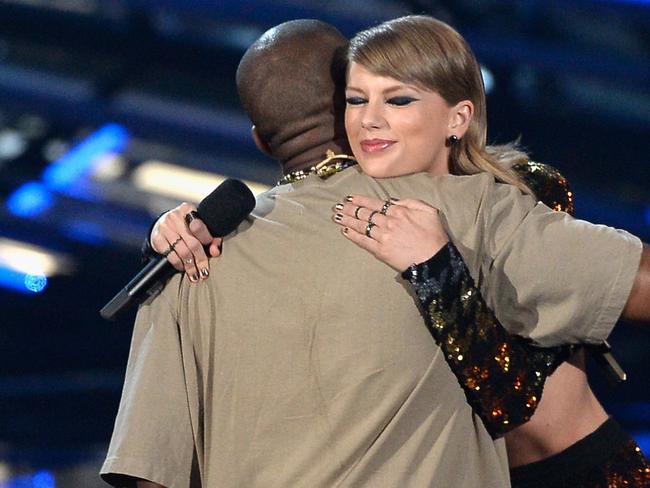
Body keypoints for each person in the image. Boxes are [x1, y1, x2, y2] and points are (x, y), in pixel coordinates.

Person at [101, 17, 648, 488]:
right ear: (342, 109)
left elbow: (146, 470)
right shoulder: (191, 248)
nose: (373, 118)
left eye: (397, 98)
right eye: (360, 100)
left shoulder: (186, 266)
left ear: (262, 141)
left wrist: (439, 270)